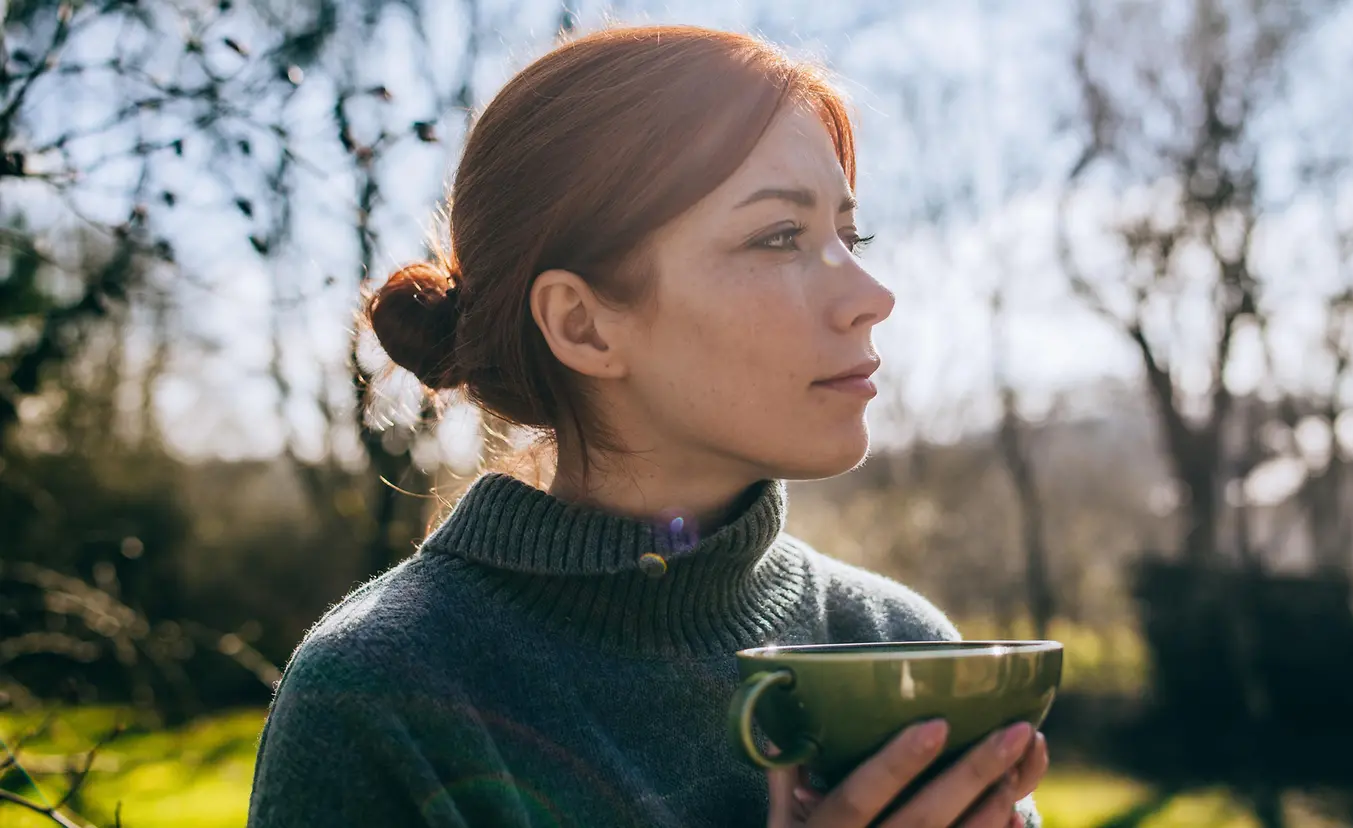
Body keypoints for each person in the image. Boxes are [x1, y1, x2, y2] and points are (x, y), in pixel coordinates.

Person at [246, 23, 1049, 828]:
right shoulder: (378, 695)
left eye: (850, 234)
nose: (873, 295)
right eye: (779, 237)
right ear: (585, 325)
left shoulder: (900, 651)